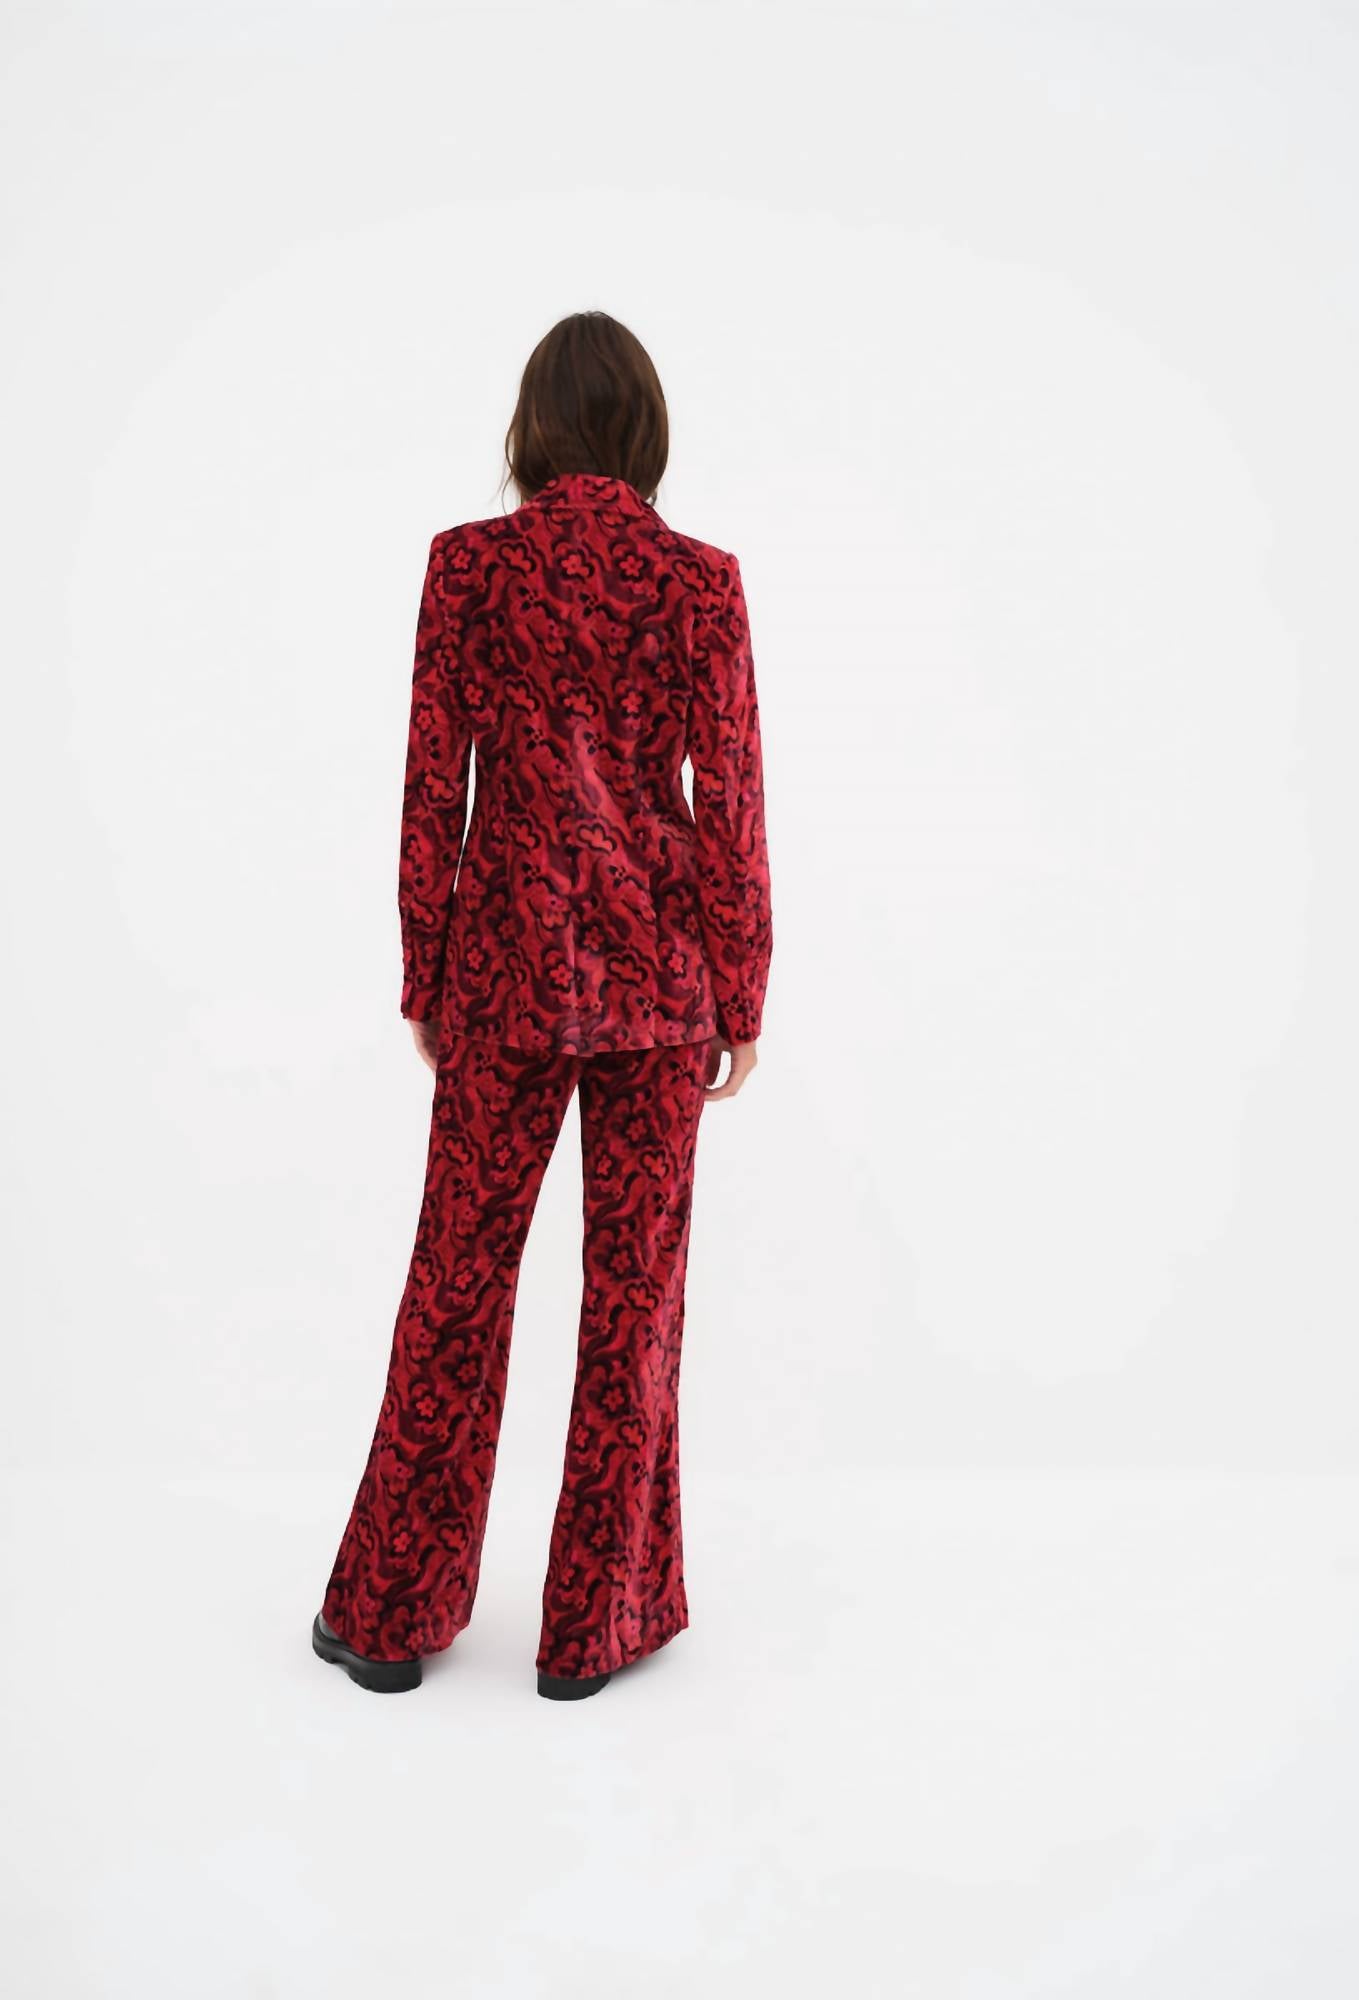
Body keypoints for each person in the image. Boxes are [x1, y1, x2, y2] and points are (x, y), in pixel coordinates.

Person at [311, 310, 773, 1701]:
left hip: (502, 970)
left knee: (455, 1284)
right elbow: (729, 800)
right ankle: (592, 1633)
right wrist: (742, 986)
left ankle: (387, 1617)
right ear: (644, 432)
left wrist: (426, 964)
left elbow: (429, 783)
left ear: (531, 428)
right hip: (659, 980)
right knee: (636, 1303)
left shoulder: (468, 567)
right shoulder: (699, 581)